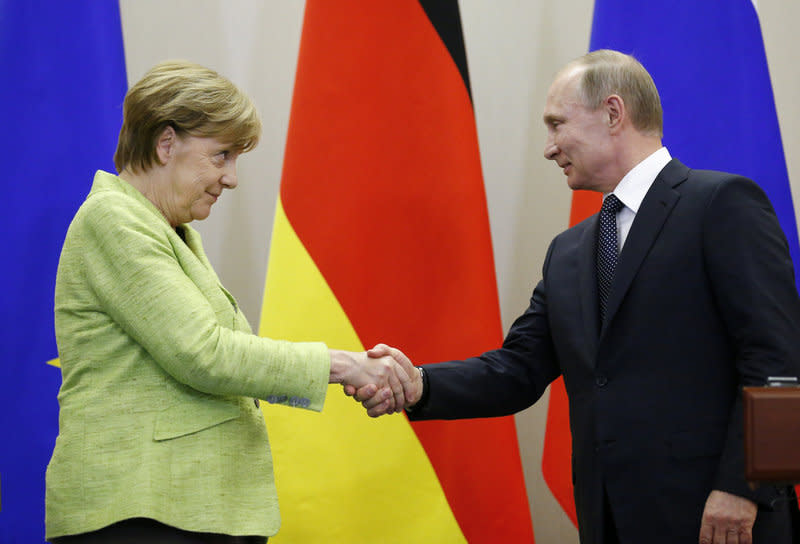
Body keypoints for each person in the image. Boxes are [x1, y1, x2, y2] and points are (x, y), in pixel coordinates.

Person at [351, 50, 800, 543]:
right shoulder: (569, 251)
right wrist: (417, 384)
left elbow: (780, 361)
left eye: (556, 124)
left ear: (613, 113)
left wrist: (747, 487)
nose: (548, 148)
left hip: (719, 519)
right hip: (608, 519)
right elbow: (517, 370)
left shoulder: (721, 205)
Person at [46, 60, 418, 544]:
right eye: (221, 155)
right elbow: (204, 354)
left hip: (184, 509)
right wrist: (344, 365)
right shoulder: (114, 220)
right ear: (166, 143)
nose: (232, 178)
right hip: (142, 513)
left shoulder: (169, 231)